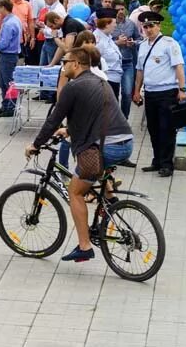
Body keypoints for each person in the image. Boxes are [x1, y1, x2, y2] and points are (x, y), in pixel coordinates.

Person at [26, 45, 134, 262]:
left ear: (76, 64)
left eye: (65, 61)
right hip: (125, 142)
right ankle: (111, 204)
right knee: (96, 176)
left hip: (105, 146)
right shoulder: (100, 82)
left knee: (75, 191)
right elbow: (95, 115)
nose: (62, 65)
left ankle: (85, 246)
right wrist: (70, 130)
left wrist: (36, 144)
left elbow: (52, 120)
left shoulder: (72, 88)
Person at [130, 11, 186, 176]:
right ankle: (157, 160)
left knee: (167, 129)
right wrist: (136, 91)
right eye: (145, 26)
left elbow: (179, 67)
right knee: (153, 128)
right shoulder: (142, 46)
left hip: (167, 92)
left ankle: (167, 164)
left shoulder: (170, 43)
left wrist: (182, 89)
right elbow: (139, 70)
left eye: (151, 26)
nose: (148, 29)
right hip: (150, 92)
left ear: (158, 26)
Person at [0, 0, 23, 118]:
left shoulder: (9, 23)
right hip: (9, 55)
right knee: (2, 82)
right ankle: (5, 105)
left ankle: (11, 107)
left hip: (8, 55)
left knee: (8, 82)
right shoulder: (14, 19)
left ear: (3, 8)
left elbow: (5, 42)